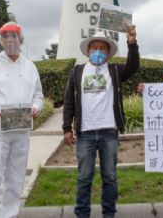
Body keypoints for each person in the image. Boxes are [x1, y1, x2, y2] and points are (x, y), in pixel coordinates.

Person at [63, 26, 139, 218]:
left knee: (110, 177)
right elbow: (69, 101)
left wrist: (132, 43)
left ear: (108, 52)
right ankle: (82, 214)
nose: (98, 51)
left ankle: (109, 214)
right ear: (88, 50)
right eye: (94, 47)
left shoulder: (115, 70)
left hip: (109, 132)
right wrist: (67, 128)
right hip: (85, 133)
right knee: (84, 177)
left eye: (102, 48)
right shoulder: (77, 72)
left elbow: (133, 66)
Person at [0, 22, 44, 218]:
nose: (10, 40)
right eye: (6, 37)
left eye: (13, 36)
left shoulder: (30, 67)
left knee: (16, 177)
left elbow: (39, 96)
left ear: (20, 39)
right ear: (1, 41)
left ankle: (10, 214)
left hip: (21, 132)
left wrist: (36, 107)